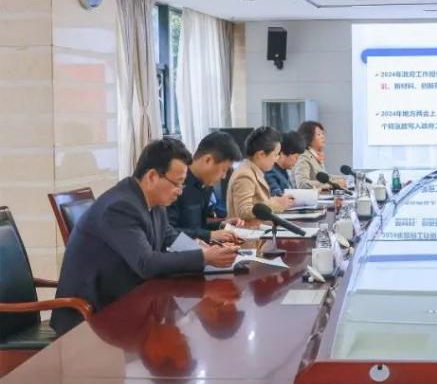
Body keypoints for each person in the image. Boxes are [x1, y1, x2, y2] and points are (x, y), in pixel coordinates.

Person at [51, 138, 239, 335]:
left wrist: (201, 249)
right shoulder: (120, 207)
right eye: (177, 183)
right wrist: (203, 257)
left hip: (126, 300)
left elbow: (168, 236)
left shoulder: (153, 200)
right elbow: (146, 263)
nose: (180, 192)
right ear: (152, 177)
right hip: (92, 315)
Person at [166, 131, 245, 244]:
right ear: (208, 160)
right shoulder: (176, 183)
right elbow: (167, 233)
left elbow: (198, 227)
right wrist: (210, 235)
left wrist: (221, 225)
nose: (223, 176)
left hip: (199, 249)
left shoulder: (206, 185)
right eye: (224, 170)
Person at [226, 127, 294, 223]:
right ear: (261, 154)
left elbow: (258, 202)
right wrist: (277, 203)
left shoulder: (253, 170)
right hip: (248, 231)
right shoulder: (245, 175)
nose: (276, 159)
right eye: (275, 155)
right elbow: (243, 211)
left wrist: (278, 200)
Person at [293, 120, 343, 191]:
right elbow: (302, 183)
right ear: (308, 138)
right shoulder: (304, 156)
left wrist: (346, 179)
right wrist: (331, 184)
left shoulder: (316, 155)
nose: (323, 137)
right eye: (319, 134)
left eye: (323, 134)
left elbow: (326, 178)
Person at [265, 130, 306, 197]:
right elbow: (277, 195)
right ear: (282, 154)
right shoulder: (270, 172)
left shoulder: (283, 171)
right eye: (296, 157)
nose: (297, 161)